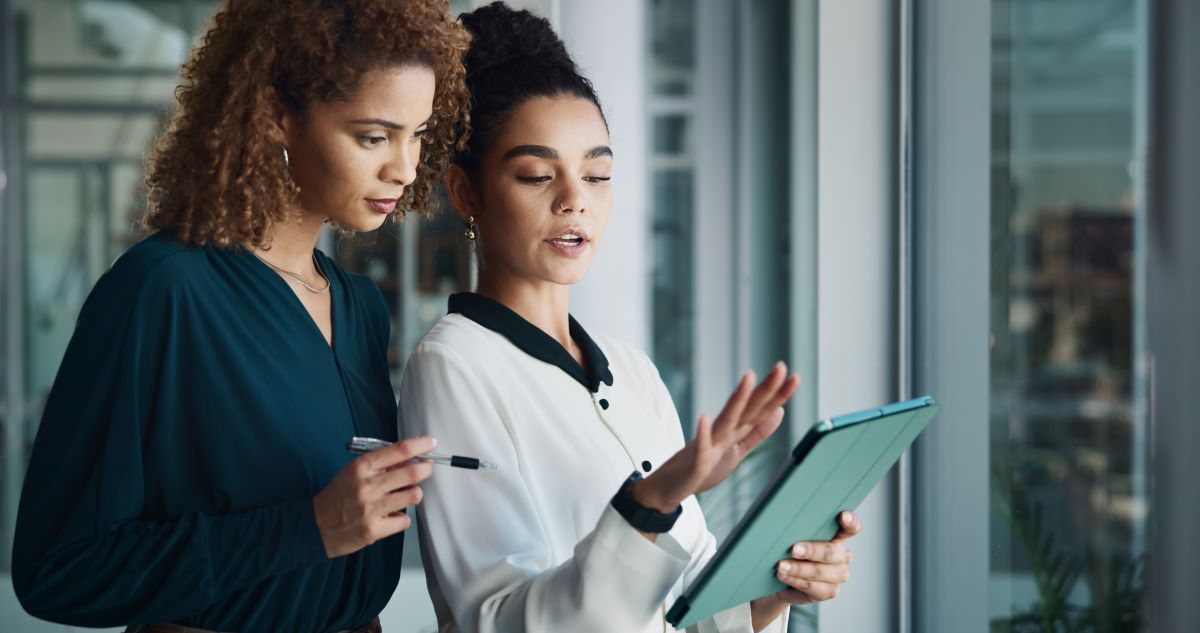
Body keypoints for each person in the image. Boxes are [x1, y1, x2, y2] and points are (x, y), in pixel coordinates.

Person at [397, 3, 860, 632]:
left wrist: (772, 592)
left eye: (597, 173)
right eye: (536, 174)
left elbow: (686, 612)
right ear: (466, 192)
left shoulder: (634, 373)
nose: (574, 200)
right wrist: (651, 502)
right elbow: (496, 620)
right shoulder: (454, 364)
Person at [11, 1, 469, 631]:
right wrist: (305, 529)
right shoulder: (163, 291)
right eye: (373, 136)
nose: (406, 168)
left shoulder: (359, 307)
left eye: (417, 134)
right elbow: (59, 571)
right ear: (279, 116)